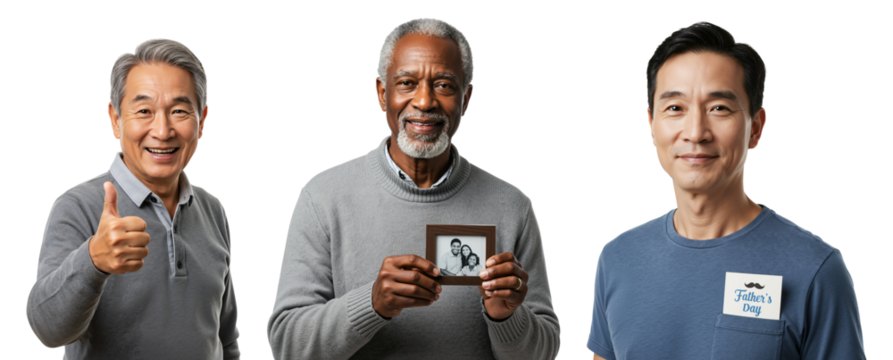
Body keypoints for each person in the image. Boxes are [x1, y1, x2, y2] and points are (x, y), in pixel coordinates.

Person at [266, 17, 561, 359]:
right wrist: (372, 303)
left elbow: (546, 351)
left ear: (466, 99)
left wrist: (507, 316)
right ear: (381, 93)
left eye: (444, 86)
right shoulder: (322, 197)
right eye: (407, 83)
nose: (424, 101)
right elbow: (286, 345)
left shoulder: (512, 206)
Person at [586, 21, 866, 359]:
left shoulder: (816, 269)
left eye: (719, 108)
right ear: (651, 125)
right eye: (675, 108)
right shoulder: (617, 259)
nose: (696, 132)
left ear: (756, 128)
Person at [25, 38, 241, 359]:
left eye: (180, 111)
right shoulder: (78, 206)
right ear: (114, 119)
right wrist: (93, 261)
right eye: (144, 111)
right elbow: (46, 330)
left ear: (203, 121)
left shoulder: (214, 210)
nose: (163, 130)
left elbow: (225, 337)